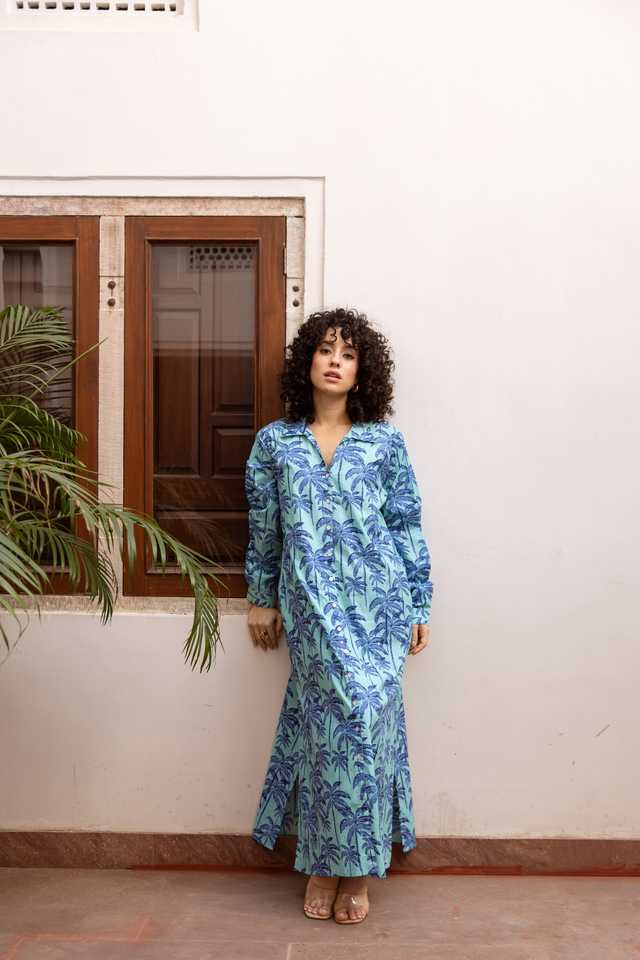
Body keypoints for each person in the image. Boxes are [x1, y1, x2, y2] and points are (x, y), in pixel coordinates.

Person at [244, 306, 434, 924]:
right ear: (307, 361)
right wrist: (261, 597)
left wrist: (419, 602)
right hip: (310, 607)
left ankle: (355, 870)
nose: (335, 361)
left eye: (348, 354)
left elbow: (404, 523)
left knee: (368, 727)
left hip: (380, 605)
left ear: (362, 371)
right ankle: (325, 864)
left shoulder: (384, 442)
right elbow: (266, 529)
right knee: (328, 734)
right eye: (326, 350)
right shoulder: (275, 443)